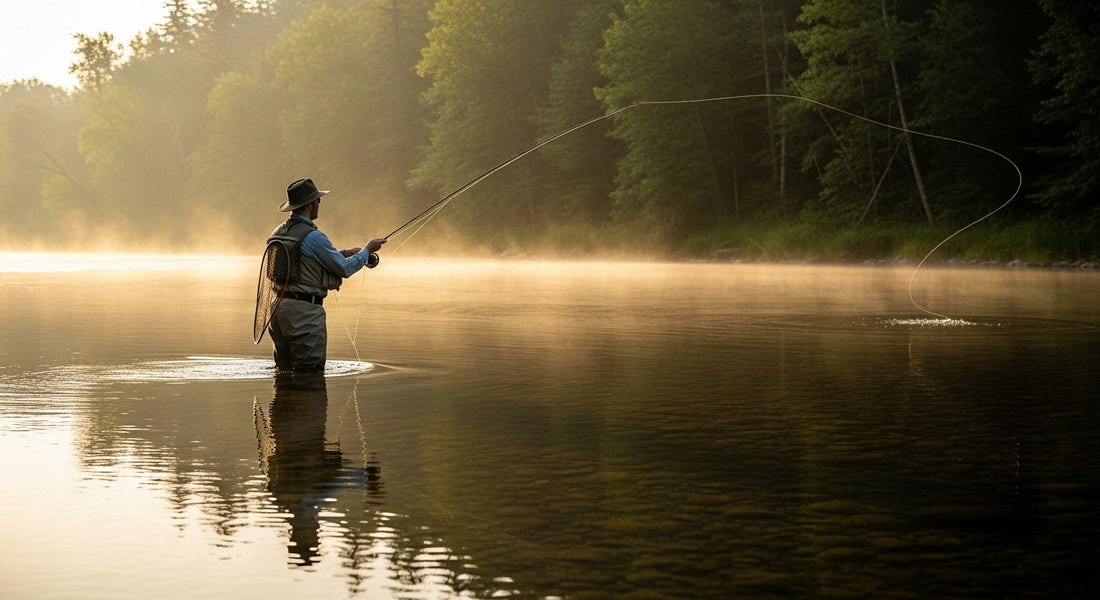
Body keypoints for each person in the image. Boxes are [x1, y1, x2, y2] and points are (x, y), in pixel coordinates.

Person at [267, 178, 385, 373]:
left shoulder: (279, 232)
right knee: (310, 373)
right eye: (318, 201)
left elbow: (303, 261)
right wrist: (367, 250)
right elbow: (344, 270)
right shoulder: (314, 237)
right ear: (311, 205)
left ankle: (283, 403)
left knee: (284, 372)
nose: (319, 205)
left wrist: (345, 252)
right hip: (304, 314)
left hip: (277, 310)